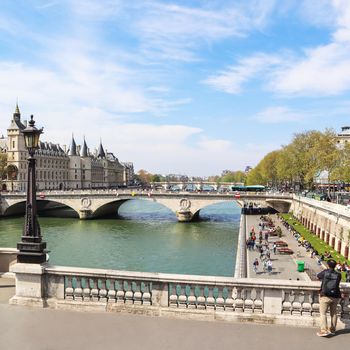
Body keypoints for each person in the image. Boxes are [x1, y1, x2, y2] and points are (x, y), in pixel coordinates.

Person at [316, 259, 342, 337]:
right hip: (335, 295)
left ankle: (324, 330)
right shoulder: (339, 274)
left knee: (323, 314)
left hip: (325, 295)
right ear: (335, 266)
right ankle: (332, 330)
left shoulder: (325, 272)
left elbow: (318, 276)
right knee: (334, 313)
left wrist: (326, 270)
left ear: (328, 265)